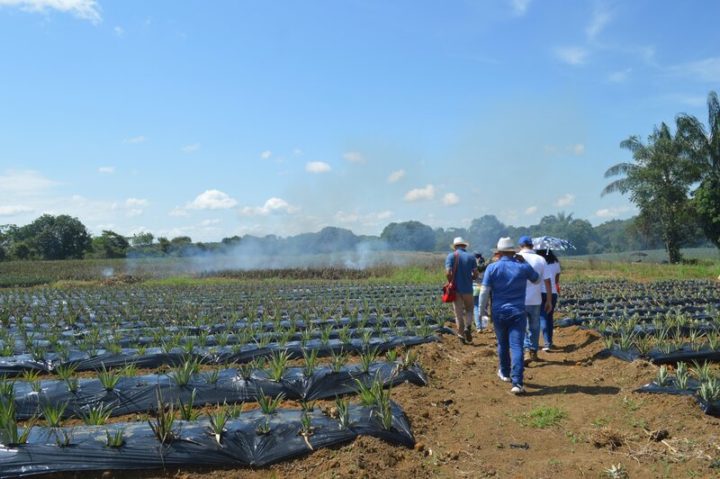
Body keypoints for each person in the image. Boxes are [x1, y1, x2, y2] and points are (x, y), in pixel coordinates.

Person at [478, 237, 539, 394]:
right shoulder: (522, 267)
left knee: (502, 343)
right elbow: (537, 280)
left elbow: (485, 291)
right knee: (516, 345)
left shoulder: (492, 268)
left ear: (498, 252)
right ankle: (517, 383)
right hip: (518, 311)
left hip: (498, 311)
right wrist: (524, 263)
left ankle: (505, 373)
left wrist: (481, 311)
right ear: (514, 252)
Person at [517, 236, 553, 366]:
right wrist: (549, 300)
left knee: (522, 326)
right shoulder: (540, 259)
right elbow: (548, 281)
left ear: (520, 246)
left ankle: (526, 350)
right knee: (534, 325)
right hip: (535, 299)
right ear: (532, 246)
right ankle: (533, 350)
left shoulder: (515, 258)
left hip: (518, 299)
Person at [445, 237, 478, 344]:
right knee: (469, 310)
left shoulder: (451, 256)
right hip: (468, 288)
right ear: (464, 246)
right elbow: (476, 274)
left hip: (456, 290)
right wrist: (471, 278)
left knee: (458, 313)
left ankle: (460, 335)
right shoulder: (471, 257)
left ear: (455, 246)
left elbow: (448, 272)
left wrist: (450, 281)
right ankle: (468, 327)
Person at [537, 249, 561, 351]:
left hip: (540, 292)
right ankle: (549, 342)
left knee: (542, 317)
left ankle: (545, 343)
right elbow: (556, 280)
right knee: (549, 317)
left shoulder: (539, 262)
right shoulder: (555, 262)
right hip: (553, 292)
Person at [472, 252, 487, 330]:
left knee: (476, 306)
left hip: (475, 288)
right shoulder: (485, 266)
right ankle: (484, 325)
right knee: (484, 307)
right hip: (484, 288)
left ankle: (478, 326)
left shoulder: (472, 266)